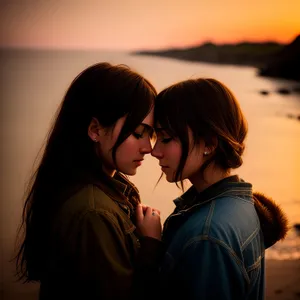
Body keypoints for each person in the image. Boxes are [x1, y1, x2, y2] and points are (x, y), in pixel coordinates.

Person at [15, 62, 163, 300]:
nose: (147, 147)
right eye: (137, 132)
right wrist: (151, 244)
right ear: (95, 129)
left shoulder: (99, 190)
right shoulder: (93, 213)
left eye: (151, 134)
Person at [148, 78, 288, 300]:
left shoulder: (206, 236)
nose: (154, 151)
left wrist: (150, 250)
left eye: (166, 138)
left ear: (210, 144)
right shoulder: (241, 205)